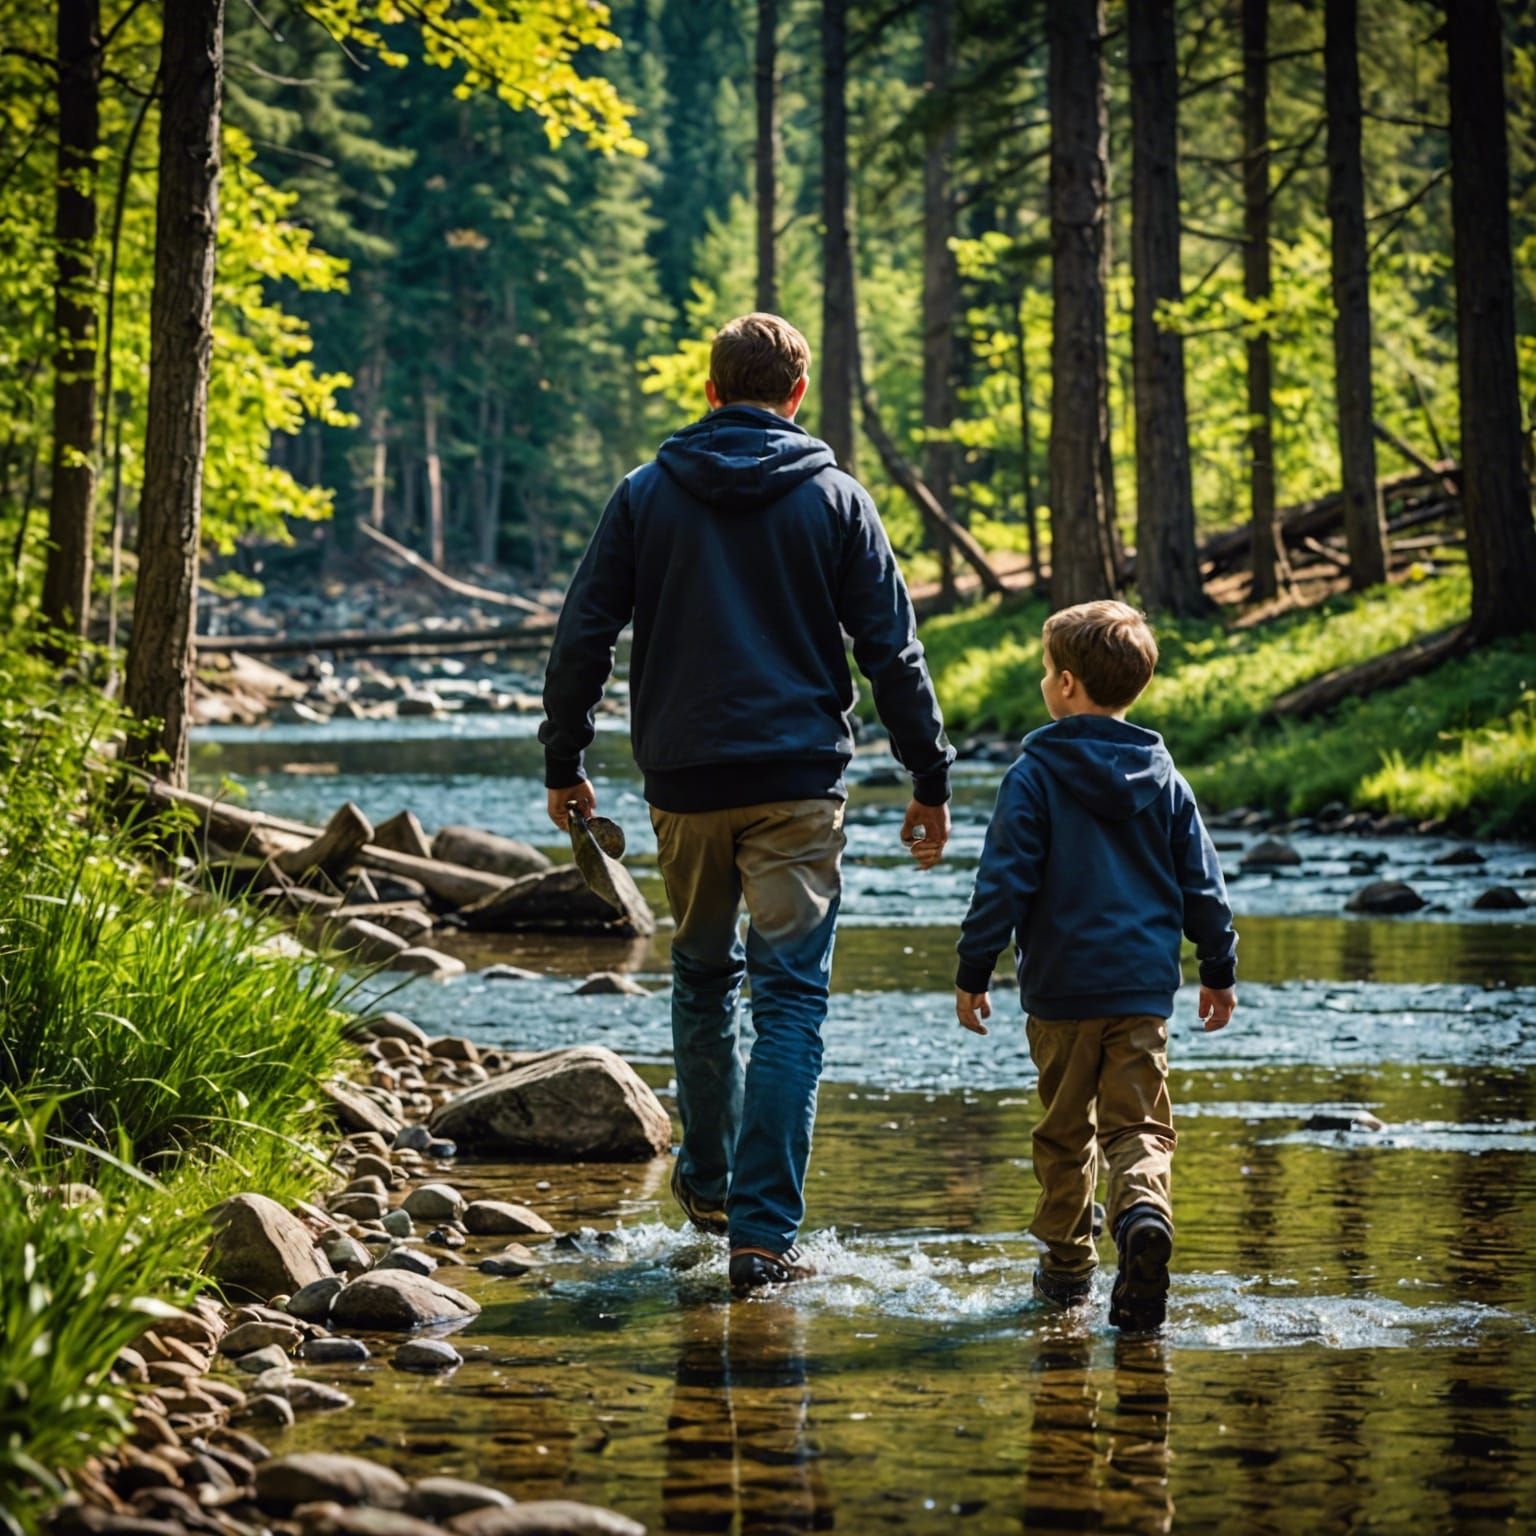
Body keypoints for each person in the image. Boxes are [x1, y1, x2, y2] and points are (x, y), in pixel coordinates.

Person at [540, 312, 953, 1294]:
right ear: (797, 396)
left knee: (700, 976)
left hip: (685, 784)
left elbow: (582, 633)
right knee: (791, 1001)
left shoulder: (645, 495)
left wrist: (566, 759)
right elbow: (892, 651)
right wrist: (928, 775)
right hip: (800, 786)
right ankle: (763, 1236)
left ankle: (713, 1191)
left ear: (713, 392)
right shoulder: (838, 500)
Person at [953, 600, 1237, 1331]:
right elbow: (1202, 881)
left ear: (1069, 685)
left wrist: (974, 968)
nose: (1045, 681)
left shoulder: (1034, 775)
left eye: (1049, 670)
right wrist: (1218, 967)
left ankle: (1068, 1269)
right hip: (1143, 987)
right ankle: (1142, 1211)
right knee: (1139, 1124)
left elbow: (1002, 882)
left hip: (1060, 991)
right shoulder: (1163, 776)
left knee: (1064, 1130)